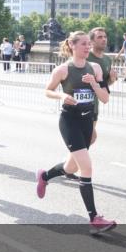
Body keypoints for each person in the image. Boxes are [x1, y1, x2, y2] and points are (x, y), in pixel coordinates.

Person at [36, 31, 116, 233]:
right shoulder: (63, 70)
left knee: (70, 167)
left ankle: (45, 176)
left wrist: (94, 83)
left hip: (87, 122)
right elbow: (48, 90)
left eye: (89, 44)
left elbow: (105, 98)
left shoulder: (95, 68)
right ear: (72, 46)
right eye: (83, 44)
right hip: (69, 121)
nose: (87, 47)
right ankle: (94, 219)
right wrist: (62, 95)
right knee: (86, 168)